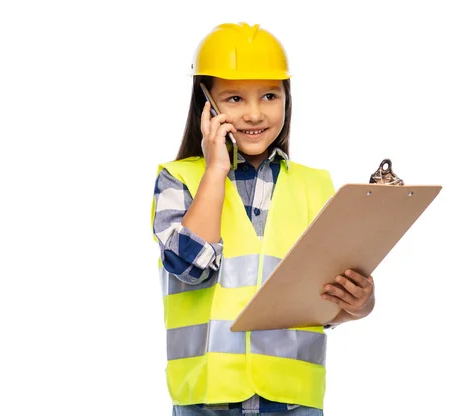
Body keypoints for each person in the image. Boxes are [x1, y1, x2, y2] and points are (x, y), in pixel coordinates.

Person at [151, 22, 376, 416]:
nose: (255, 114)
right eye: (234, 98)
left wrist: (359, 304)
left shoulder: (315, 186)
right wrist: (214, 169)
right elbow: (190, 267)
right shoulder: (180, 178)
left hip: (293, 402)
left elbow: (321, 304)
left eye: (270, 95)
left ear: (287, 99)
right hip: (207, 401)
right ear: (206, 105)